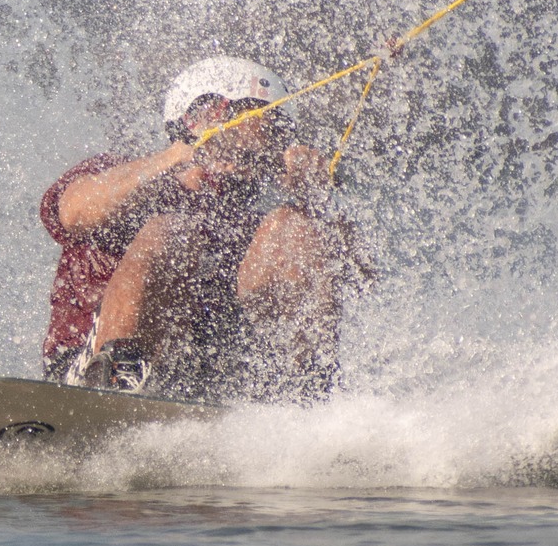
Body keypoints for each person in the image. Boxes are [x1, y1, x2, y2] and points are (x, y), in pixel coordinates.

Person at [38, 55, 368, 402]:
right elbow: (74, 212)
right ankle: (112, 382)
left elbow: (362, 276)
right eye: (251, 129)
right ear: (199, 120)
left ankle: (302, 399)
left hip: (203, 382)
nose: (263, 147)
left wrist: (314, 201)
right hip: (86, 368)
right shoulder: (123, 173)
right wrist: (171, 160)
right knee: (176, 232)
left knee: (293, 229)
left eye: (272, 138)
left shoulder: (257, 222)